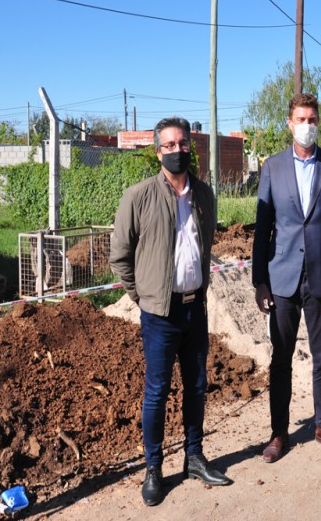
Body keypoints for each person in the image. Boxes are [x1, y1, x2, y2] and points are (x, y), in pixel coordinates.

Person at [110, 117, 232, 507]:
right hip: (159, 316)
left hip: (196, 309)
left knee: (197, 386)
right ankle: (153, 468)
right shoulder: (138, 196)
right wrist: (143, 295)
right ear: (157, 151)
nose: (177, 150)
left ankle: (194, 458)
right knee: (157, 393)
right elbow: (120, 256)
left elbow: (206, 243)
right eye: (169, 145)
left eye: (183, 144)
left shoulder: (205, 195)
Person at [252, 93, 321, 463]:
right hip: (281, 280)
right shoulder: (273, 167)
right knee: (281, 359)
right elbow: (262, 229)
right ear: (289, 123)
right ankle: (279, 432)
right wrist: (259, 281)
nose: (307, 125)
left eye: (312, 119)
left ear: (318, 122)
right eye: (301, 119)